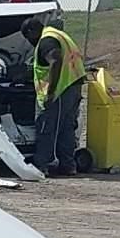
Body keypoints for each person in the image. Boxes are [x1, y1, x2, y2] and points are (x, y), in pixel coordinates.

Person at [26, 15, 86, 175]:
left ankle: (41, 165)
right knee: (66, 128)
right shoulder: (58, 34)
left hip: (59, 91)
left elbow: (55, 60)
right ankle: (68, 165)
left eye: (28, 37)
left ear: (32, 31)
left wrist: (51, 92)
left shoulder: (46, 41)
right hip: (74, 85)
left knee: (46, 127)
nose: (29, 42)